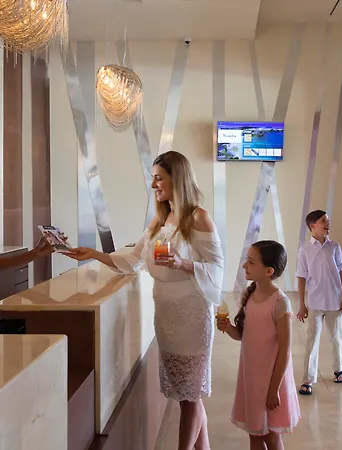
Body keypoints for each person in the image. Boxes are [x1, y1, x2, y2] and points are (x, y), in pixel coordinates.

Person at [66, 151, 224, 450]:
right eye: (153, 178)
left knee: (190, 396)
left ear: (177, 178)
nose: (153, 185)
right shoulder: (160, 220)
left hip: (192, 318)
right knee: (188, 395)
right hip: (166, 317)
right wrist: (94, 254)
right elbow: (133, 260)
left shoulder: (198, 217)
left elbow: (217, 266)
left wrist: (182, 264)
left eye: (158, 178)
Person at [217, 240, 300, 450]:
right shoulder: (249, 294)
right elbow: (244, 335)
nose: (245, 265)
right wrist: (228, 328)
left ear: (268, 271)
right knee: (254, 434)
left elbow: (284, 351)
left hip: (272, 380)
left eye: (251, 262)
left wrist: (274, 390)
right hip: (252, 378)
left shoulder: (280, 302)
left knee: (271, 437)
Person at [296, 210, 342, 396]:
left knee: (337, 337)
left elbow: (341, 273)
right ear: (313, 226)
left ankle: (338, 369)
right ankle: (307, 379)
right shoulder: (305, 250)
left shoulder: (334, 247)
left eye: (328, 220)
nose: (328, 223)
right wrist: (302, 304)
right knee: (312, 340)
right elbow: (301, 277)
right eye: (323, 220)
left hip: (335, 301)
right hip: (315, 303)